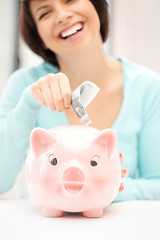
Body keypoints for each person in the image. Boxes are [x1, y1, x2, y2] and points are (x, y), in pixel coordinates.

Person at [0, 0, 160, 202]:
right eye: (44, 13)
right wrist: (29, 103)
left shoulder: (148, 87)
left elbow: (157, 182)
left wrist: (111, 187)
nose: (62, 15)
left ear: (97, 7)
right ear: (39, 38)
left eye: (71, 0)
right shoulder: (24, 85)